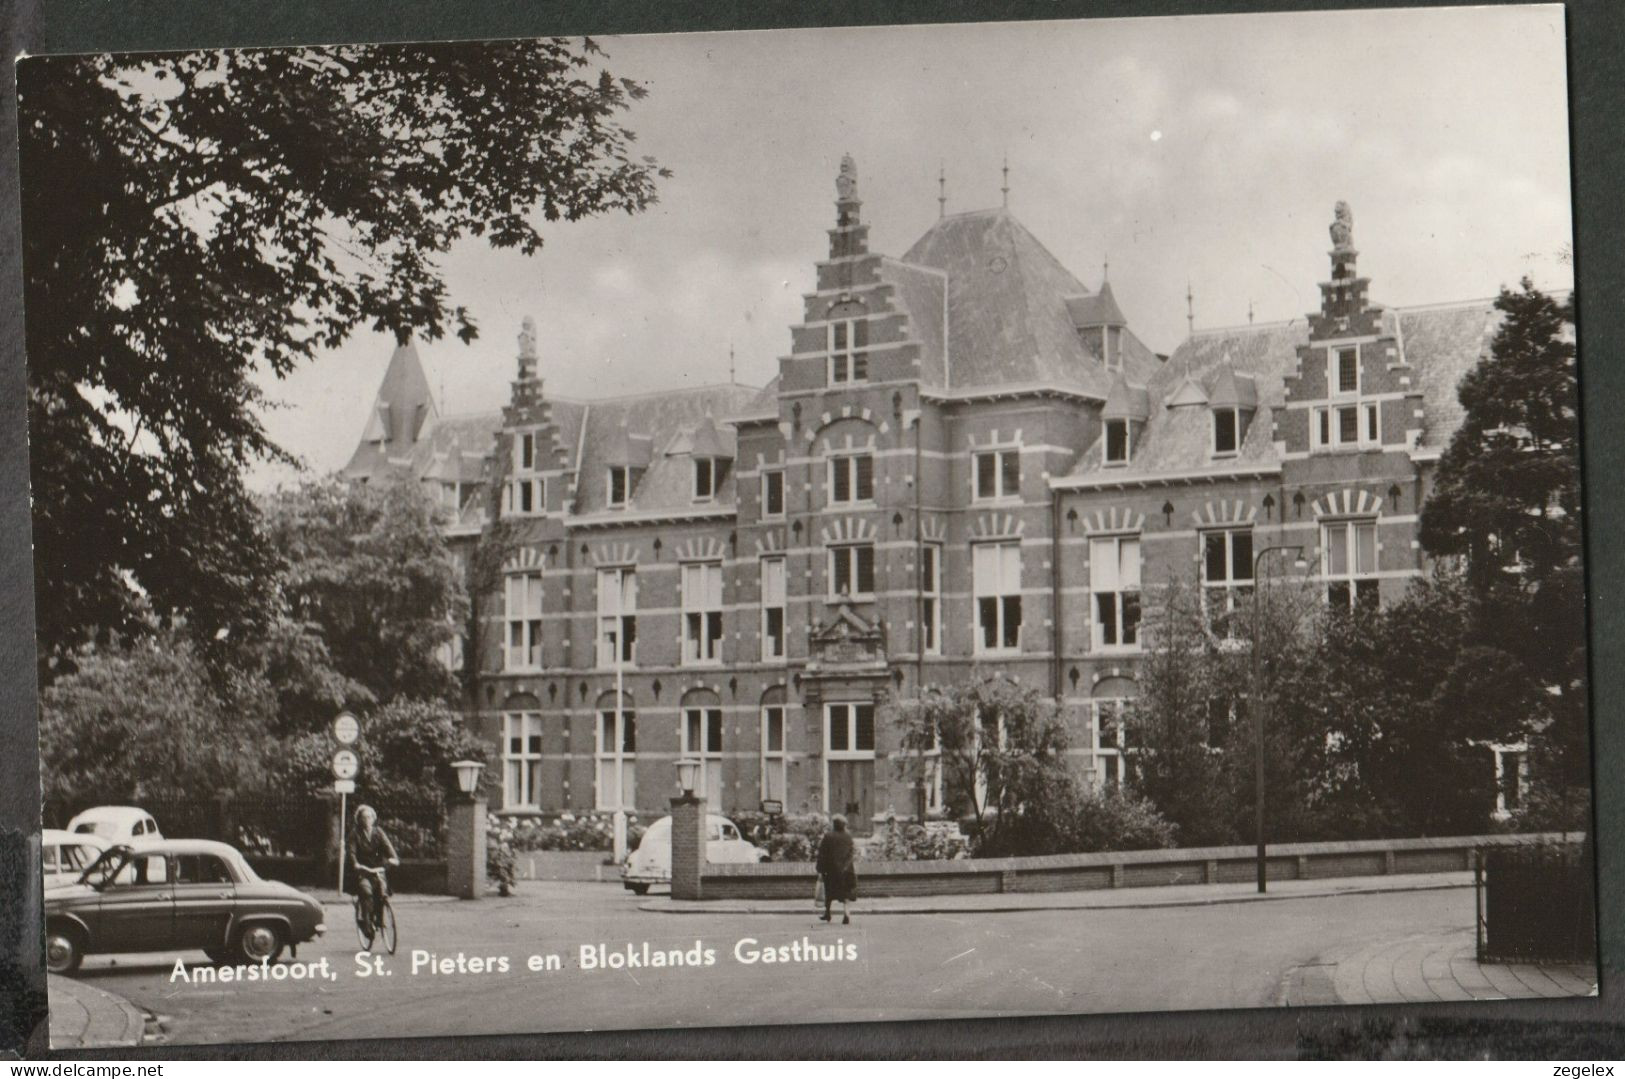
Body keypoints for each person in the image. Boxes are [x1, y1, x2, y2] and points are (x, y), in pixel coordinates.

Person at [348, 805, 399, 930]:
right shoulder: (355, 833)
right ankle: (365, 922)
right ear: (359, 819)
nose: (367, 820)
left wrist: (393, 858)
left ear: (373, 818)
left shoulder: (379, 832)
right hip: (363, 870)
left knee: (382, 893)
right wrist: (355, 863)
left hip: (377, 869)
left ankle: (379, 919)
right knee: (366, 893)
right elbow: (351, 851)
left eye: (369, 817)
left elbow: (388, 847)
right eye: (364, 817)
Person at [815, 814, 858, 924]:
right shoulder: (848, 837)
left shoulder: (828, 836)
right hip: (846, 870)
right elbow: (851, 852)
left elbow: (822, 854)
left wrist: (820, 869)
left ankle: (828, 913)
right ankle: (846, 914)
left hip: (831, 870)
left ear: (834, 824)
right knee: (846, 893)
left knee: (829, 892)